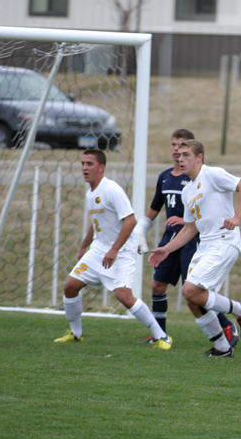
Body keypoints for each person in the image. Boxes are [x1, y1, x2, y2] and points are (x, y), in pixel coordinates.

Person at [54, 149, 172, 349]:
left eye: (89, 164)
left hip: (122, 251)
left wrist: (114, 250)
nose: (84, 167)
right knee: (70, 287)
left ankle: (161, 336)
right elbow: (96, 221)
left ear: (101, 167)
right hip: (99, 250)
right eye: (83, 163)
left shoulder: (111, 189)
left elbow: (130, 221)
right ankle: (76, 333)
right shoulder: (91, 192)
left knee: (123, 296)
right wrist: (84, 246)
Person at [148, 140, 241, 357]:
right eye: (179, 155)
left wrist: (237, 217)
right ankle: (222, 348)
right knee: (192, 299)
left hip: (224, 241)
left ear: (199, 157)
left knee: (190, 290)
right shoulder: (188, 190)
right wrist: (166, 249)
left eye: (186, 155)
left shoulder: (212, 174)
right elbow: (189, 229)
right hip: (206, 244)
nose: (180, 159)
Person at [132, 129, 238, 346]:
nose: (177, 152)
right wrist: (140, 233)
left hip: (197, 240)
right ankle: (160, 334)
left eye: (182, 149)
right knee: (158, 286)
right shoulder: (166, 178)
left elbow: (197, 220)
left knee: (194, 292)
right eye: (173, 146)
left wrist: (187, 222)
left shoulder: (206, 176)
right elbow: (153, 209)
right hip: (172, 239)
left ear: (196, 155)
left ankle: (229, 322)